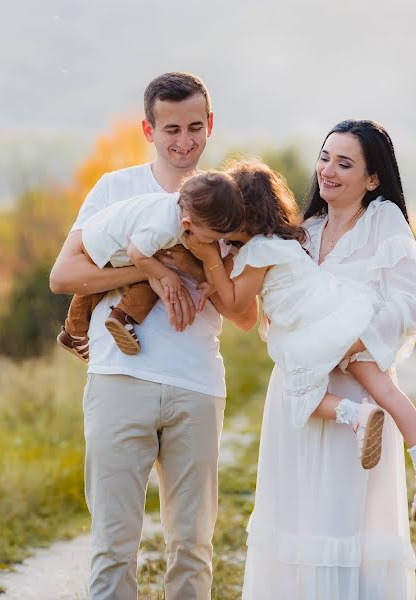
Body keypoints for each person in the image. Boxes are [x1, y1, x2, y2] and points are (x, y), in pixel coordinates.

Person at [49, 72, 257, 600]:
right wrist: (151, 274)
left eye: (194, 127)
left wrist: (208, 256)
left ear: (210, 125)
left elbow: (245, 316)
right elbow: (64, 276)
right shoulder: (115, 189)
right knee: (114, 544)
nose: (183, 141)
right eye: (170, 129)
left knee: (192, 547)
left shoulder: (226, 203)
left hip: (196, 385)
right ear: (148, 128)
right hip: (120, 379)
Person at [236, 120, 416, 599]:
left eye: (344, 163)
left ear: (372, 178)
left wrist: (346, 344)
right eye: (325, 157)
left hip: (355, 393)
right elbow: (278, 309)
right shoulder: (302, 233)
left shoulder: (382, 222)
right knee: (296, 519)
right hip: (298, 396)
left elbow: (411, 307)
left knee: (346, 528)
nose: (328, 170)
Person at [189, 159, 416, 522]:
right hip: (349, 310)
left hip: (314, 330)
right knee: (385, 388)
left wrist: (208, 258)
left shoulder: (258, 252)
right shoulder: (289, 240)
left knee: (299, 393)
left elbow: (235, 302)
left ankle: (356, 415)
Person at [57, 172, 244, 360]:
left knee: (156, 267)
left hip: (104, 232)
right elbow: (136, 253)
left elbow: (210, 252)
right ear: (187, 224)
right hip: (107, 245)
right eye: (212, 238)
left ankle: (75, 331)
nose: (214, 242)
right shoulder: (164, 227)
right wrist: (164, 275)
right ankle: (121, 316)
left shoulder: (182, 208)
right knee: (159, 273)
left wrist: (211, 283)